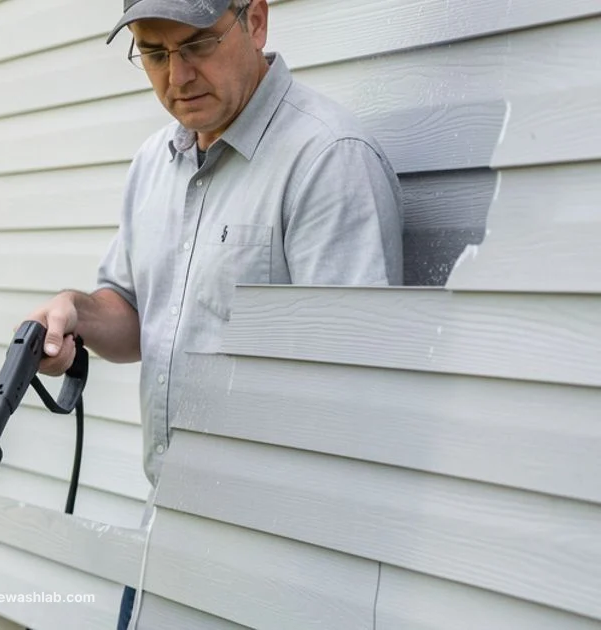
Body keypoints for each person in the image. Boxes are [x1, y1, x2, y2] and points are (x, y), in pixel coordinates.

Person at [20, 0, 404, 627]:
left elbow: (355, 388)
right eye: (154, 53)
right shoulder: (155, 162)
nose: (178, 76)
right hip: (165, 530)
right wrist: (77, 313)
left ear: (255, 21)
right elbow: (136, 314)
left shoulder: (327, 159)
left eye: (197, 44)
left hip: (280, 560)